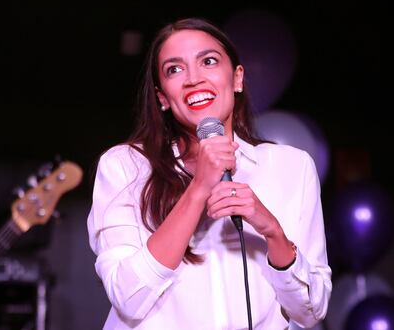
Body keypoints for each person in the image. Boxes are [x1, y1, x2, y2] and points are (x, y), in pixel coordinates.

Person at [87, 17, 332, 329]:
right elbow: (128, 298)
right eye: (174, 69)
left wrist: (272, 231)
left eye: (209, 61)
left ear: (237, 78)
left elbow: (311, 311)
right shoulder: (125, 166)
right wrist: (199, 187)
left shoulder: (291, 167)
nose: (193, 78)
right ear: (163, 97)